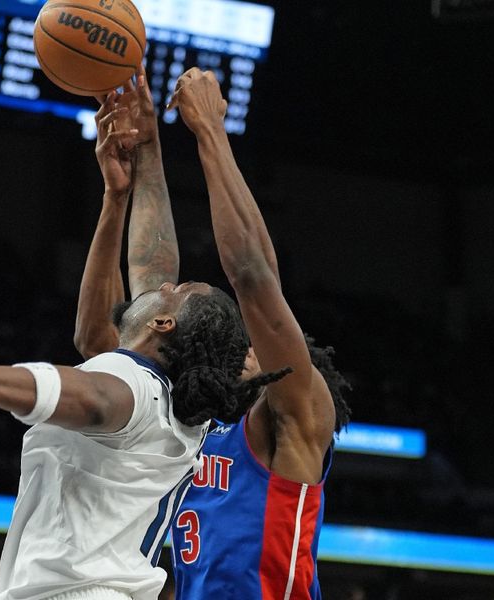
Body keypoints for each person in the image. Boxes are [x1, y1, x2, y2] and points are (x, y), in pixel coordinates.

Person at [0, 70, 286, 600]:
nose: (168, 280)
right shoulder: (164, 391)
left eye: (180, 288)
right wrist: (137, 166)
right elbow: (142, 272)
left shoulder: (137, 391)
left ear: (164, 322)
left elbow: (90, 395)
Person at [75, 68, 351, 599]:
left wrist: (211, 133)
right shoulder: (188, 417)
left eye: (254, 345)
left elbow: (253, 277)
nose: (244, 348)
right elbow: (153, 298)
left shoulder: (293, 416)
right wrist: (149, 148)